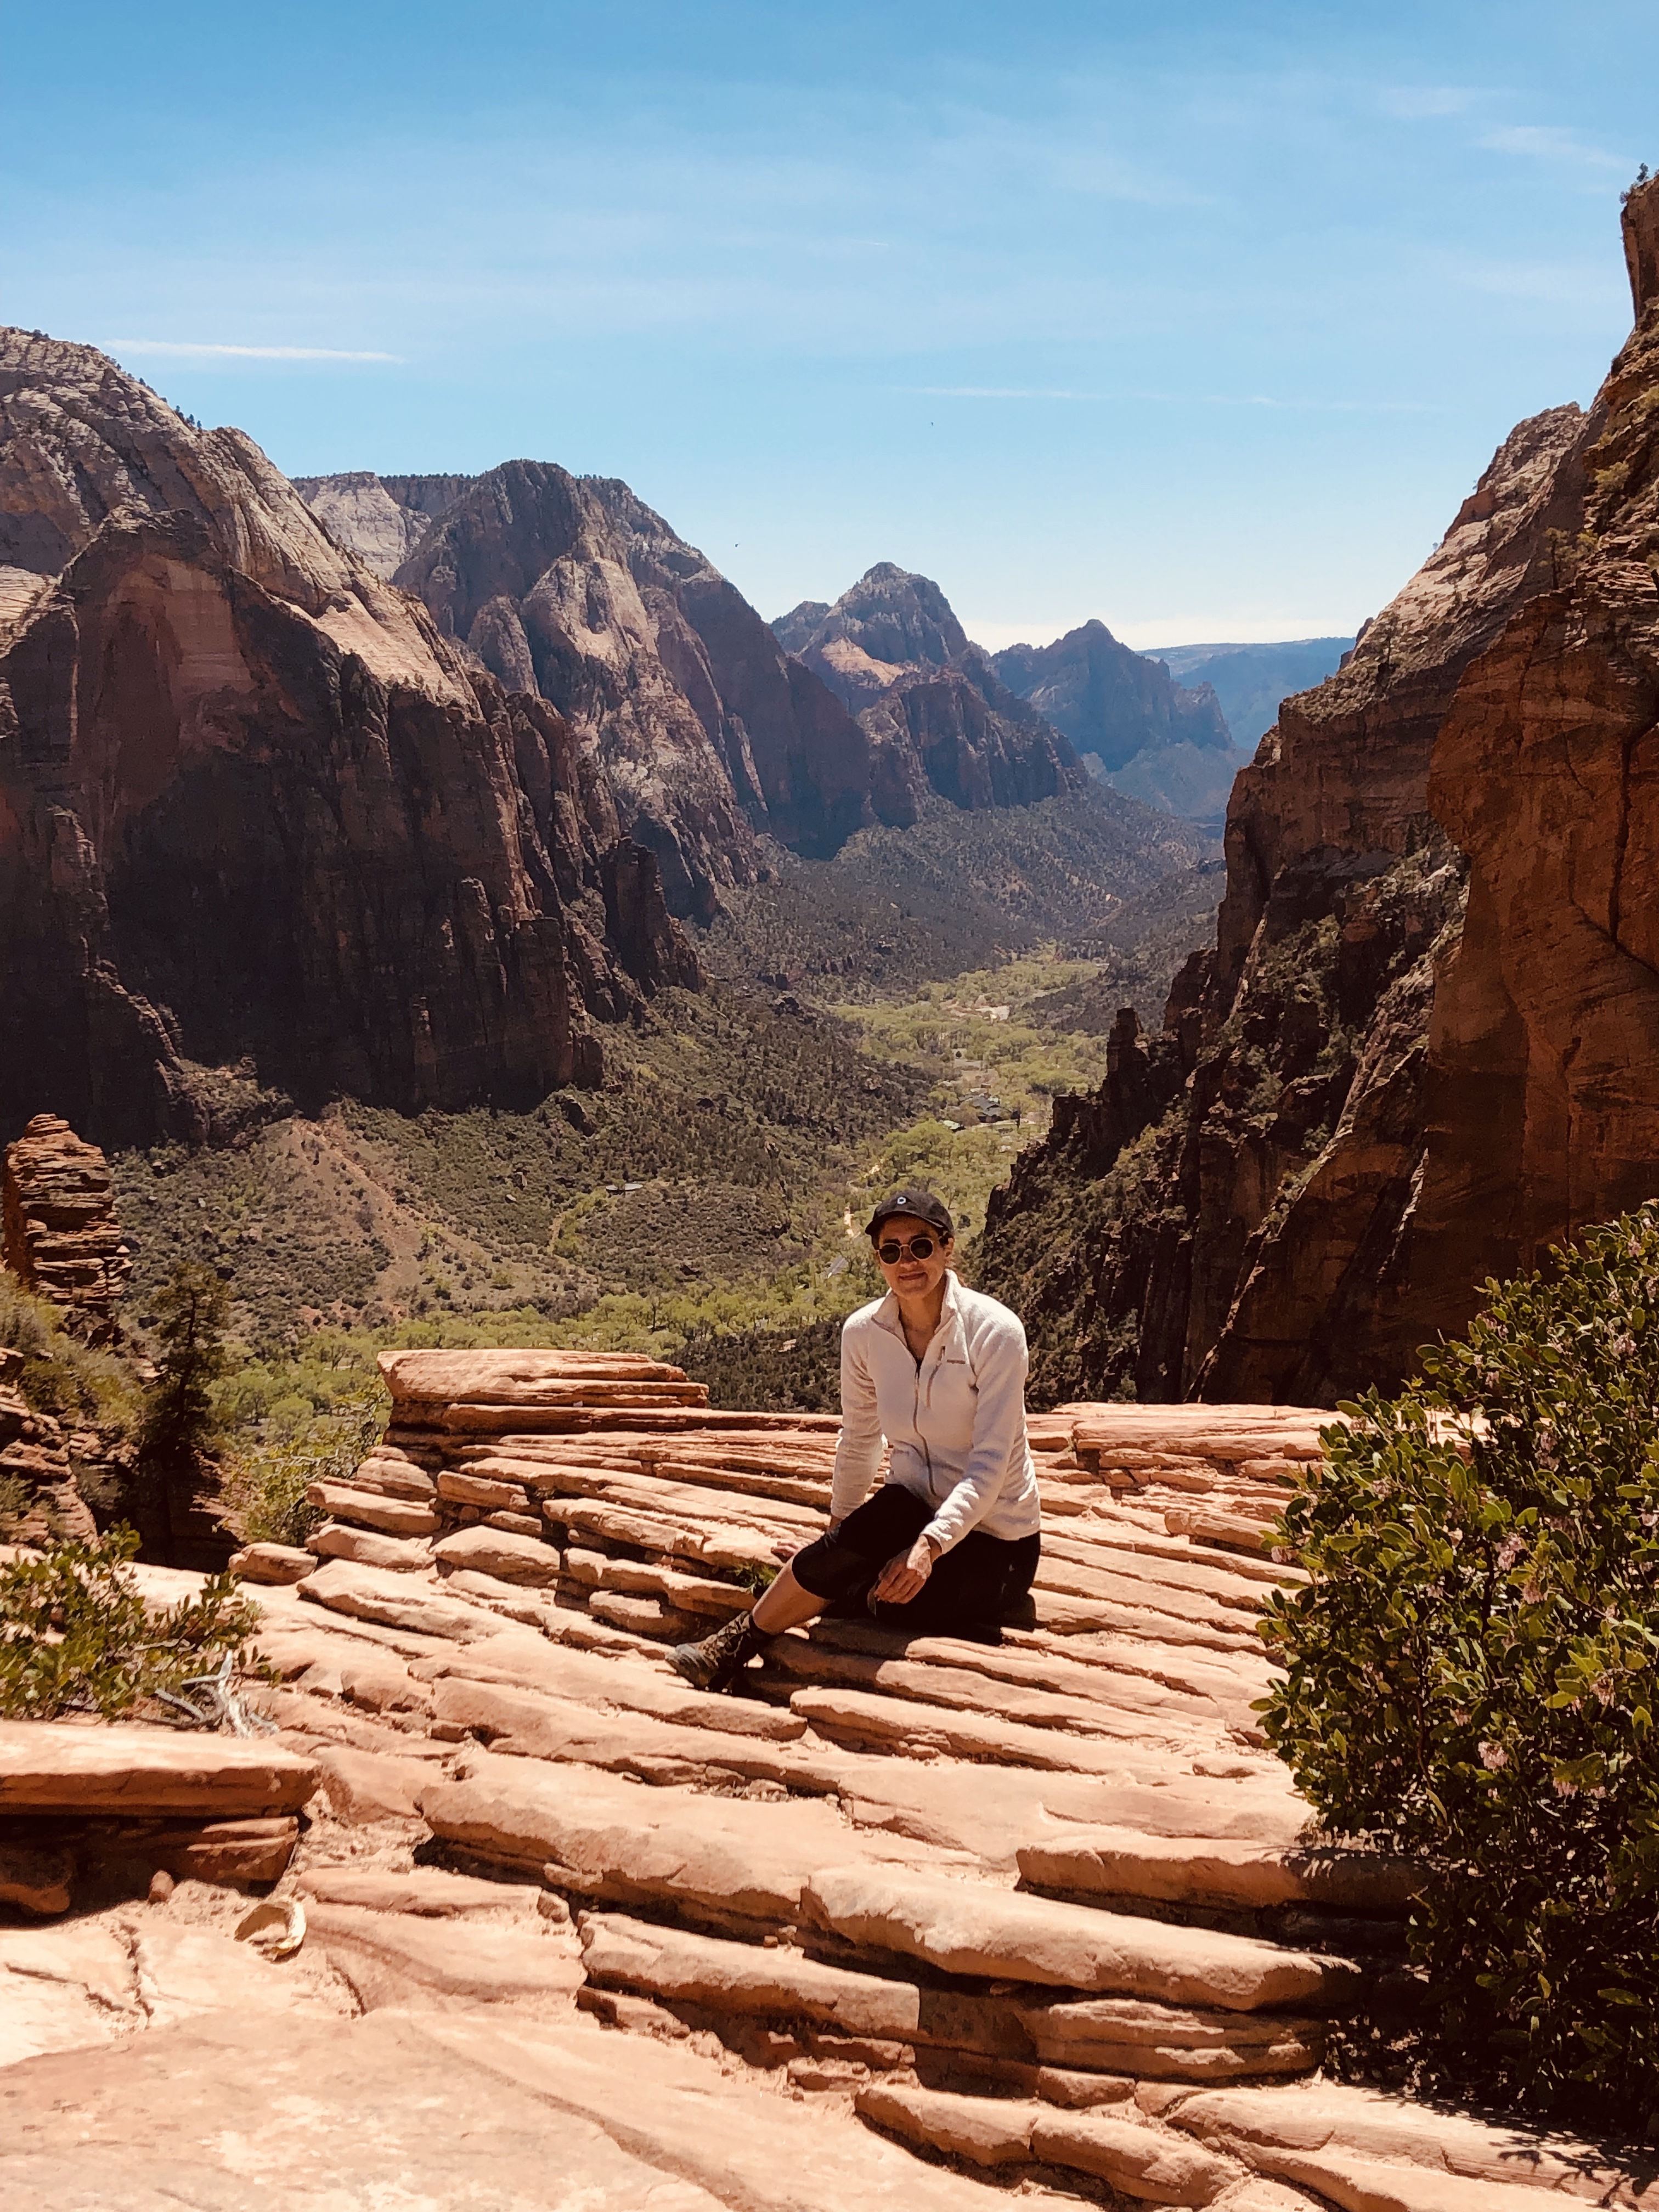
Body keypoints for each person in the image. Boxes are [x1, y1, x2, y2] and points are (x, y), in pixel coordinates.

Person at [669, 1188, 1043, 1694]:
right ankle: (734, 1645)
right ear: (878, 1260)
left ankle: (859, 1593)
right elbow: (860, 1436)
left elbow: (991, 1463)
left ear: (947, 1248)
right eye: (892, 1251)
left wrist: (928, 1547)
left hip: (999, 1537)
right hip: (910, 1505)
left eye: (921, 1247)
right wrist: (840, 1536)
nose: (906, 1262)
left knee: (903, 1600)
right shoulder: (864, 1334)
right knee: (836, 1561)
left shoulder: (995, 1332)